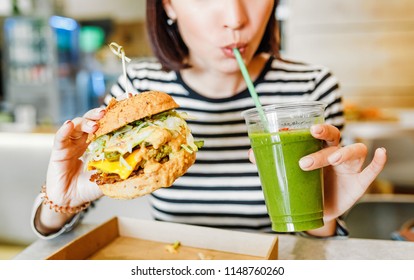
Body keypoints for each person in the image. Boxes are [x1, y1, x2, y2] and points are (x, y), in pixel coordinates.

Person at [31, 0, 387, 239]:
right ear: (168, 4)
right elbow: (52, 225)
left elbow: (319, 240)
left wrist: (322, 215)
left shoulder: (312, 87)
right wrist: (63, 199)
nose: (236, 18)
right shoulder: (139, 89)